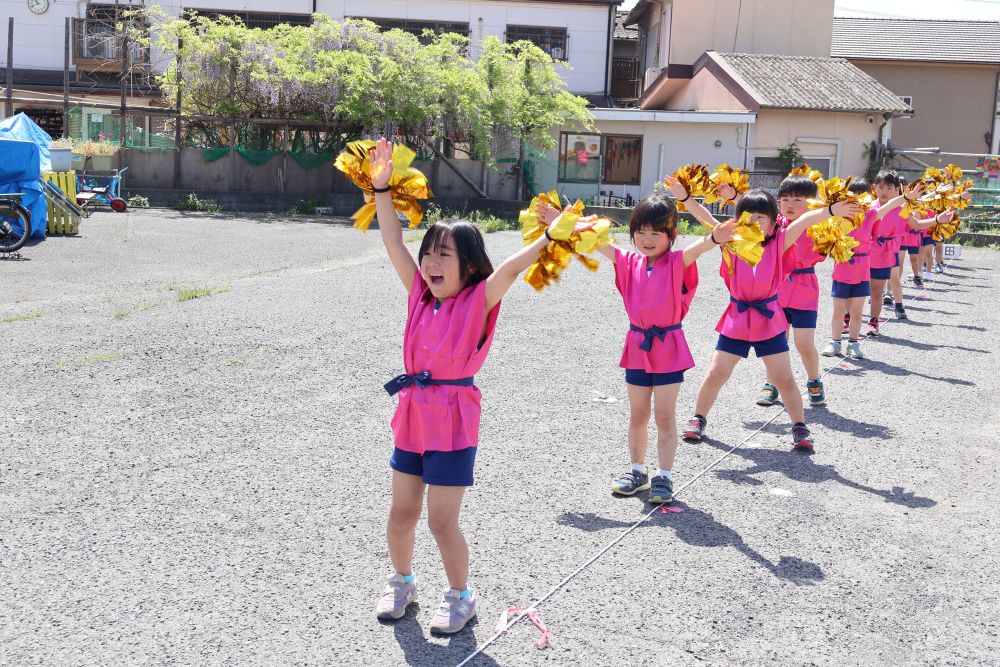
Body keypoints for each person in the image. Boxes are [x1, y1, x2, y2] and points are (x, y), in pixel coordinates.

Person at [368, 138, 592, 633]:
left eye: (444, 255)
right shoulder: (418, 296)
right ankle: (402, 580)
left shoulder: (479, 300)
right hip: (411, 413)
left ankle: (461, 596)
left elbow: (512, 267)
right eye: (430, 253)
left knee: (441, 521)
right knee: (401, 512)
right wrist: (382, 187)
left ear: (469, 265)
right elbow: (392, 241)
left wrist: (551, 236)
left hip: (451, 418)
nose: (431, 262)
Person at [548, 189, 736, 504]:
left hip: (668, 346)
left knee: (664, 415)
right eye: (640, 232)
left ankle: (664, 476)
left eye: (655, 233)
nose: (647, 239)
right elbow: (596, 242)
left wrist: (714, 238)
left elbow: (698, 248)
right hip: (636, 344)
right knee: (637, 414)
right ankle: (638, 470)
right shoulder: (628, 259)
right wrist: (562, 225)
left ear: (672, 234)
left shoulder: (678, 260)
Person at [673, 184, 863, 452]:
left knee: (784, 378)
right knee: (717, 372)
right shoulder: (730, 241)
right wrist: (684, 197)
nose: (753, 221)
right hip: (737, 317)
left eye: (761, 217)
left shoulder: (781, 242)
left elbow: (807, 219)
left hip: (769, 319)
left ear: (774, 224)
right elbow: (704, 216)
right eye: (747, 217)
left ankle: (799, 426)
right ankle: (698, 418)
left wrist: (830, 210)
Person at [756, 174, 828, 408]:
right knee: (776, 341)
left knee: (804, 343)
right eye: (784, 199)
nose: (789, 204)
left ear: (811, 203)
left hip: (805, 290)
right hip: (777, 289)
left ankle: (813, 380)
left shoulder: (819, 226)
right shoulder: (775, 223)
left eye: (797, 200)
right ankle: (772, 384)